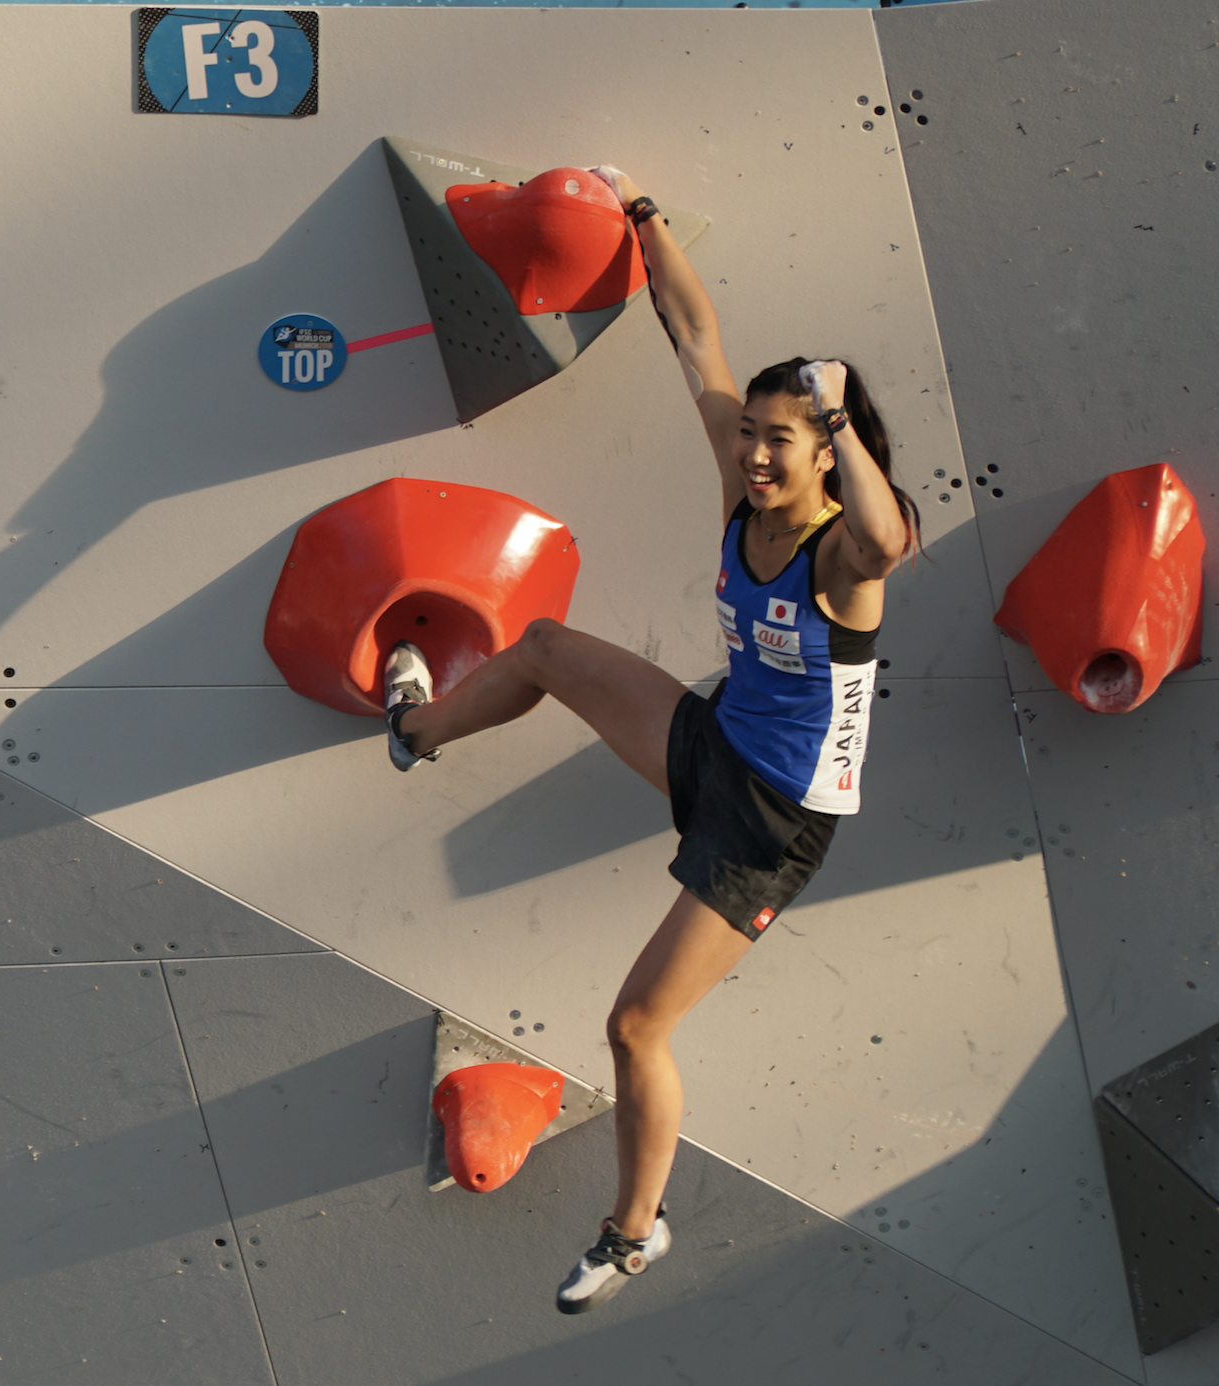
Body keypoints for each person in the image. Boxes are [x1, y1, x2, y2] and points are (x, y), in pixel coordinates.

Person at [382, 165, 921, 1314]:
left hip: (773, 824)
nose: (755, 456)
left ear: (826, 451)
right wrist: (640, 217)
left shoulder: (840, 554)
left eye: (782, 443)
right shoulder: (743, 491)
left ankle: (633, 1234)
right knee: (542, 648)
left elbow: (888, 541)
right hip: (714, 742)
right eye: (752, 437)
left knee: (634, 1028)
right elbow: (693, 334)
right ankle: (413, 730)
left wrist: (833, 415)